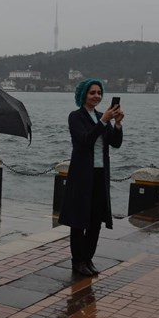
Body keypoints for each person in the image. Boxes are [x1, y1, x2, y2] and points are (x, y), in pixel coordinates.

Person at [58, 79, 124, 277]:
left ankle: (88, 258)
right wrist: (103, 121)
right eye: (92, 92)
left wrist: (117, 124)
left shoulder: (101, 116)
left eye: (99, 93)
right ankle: (77, 260)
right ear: (83, 95)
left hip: (100, 174)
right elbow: (84, 141)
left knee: (96, 219)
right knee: (79, 219)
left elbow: (115, 143)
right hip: (81, 175)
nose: (97, 96)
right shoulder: (75, 117)